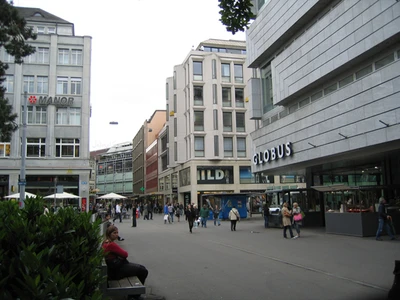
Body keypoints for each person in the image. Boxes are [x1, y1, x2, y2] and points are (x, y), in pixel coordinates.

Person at [102, 225, 148, 295]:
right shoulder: (111, 245)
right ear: (109, 234)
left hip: (112, 269)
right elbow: (125, 254)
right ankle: (134, 296)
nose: (116, 234)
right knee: (143, 271)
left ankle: (134, 294)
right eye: (114, 233)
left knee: (141, 268)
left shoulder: (105, 242)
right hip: (116, 271)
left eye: (117, 233)